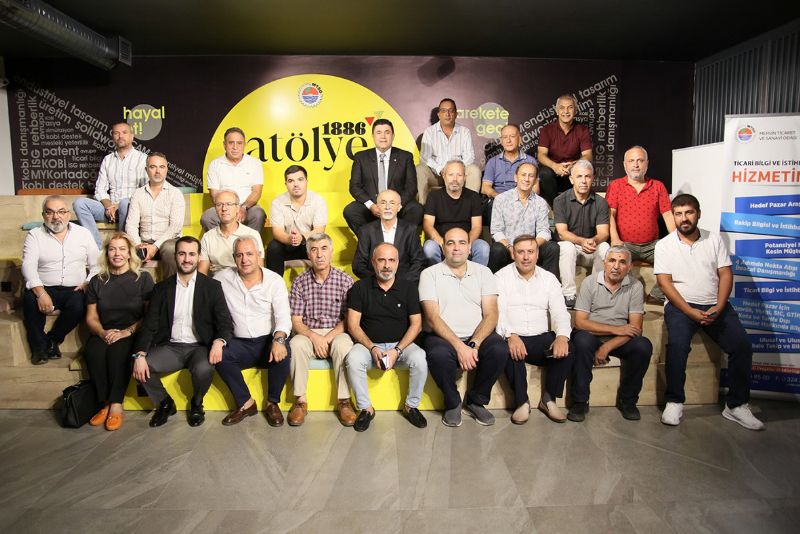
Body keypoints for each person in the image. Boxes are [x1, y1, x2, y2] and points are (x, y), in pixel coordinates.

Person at [655, 194, 764, 430]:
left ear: (698, 214)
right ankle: (674, 401)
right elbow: (664, 283)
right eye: (678, 214)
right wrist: (690, 311)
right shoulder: (664, 245)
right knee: (677, 346)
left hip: (715, 305)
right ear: (673, 217)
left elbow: (725, 274)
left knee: (742, 346)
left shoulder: (713, 239)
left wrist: (720, 306)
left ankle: (736, 405)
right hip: (681, 306)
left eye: (689, 212)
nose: (684, 218)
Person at [131, 236, 233, 428]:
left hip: (199, 347)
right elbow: (149, 325)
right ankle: (165, 403)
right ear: (175, 256)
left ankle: (197, 403)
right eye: (182, 254)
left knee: (204, 369)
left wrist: (219, 341)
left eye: (192, 254)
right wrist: (140, 353)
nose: (187, 259)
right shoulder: (161, 288)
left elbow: (225, 323)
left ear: (199, 257)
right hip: (170, 347)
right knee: (138, 364)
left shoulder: (212, 287)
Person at [420, 227, 508, 427]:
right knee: (438, 354)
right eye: (450, 243)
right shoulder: (429, 274)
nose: (456, 248)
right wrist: (460, 347)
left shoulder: (484, 273)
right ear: (443, 248)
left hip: (476, 335)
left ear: (470, 248)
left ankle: (476, 400)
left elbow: (491, 314)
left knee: (499, 349)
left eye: (462, 243)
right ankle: (453, 402)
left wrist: (474, 344)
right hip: (442, 336)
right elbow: (432, 318)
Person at [346, 243, 428, 431]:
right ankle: (366, 409)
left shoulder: (408, 288)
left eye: (391, 260)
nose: (387, 265)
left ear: (398, 263)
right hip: (369, 345)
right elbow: (353, 325)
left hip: (401, 345)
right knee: (353, 358)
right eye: (381, 260)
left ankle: (411, 406)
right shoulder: (360, 287)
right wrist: (372, 347)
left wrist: (397, 350)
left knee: (420, 358)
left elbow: (417, 324)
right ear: (373, 262)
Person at [496, 235, 574, 424]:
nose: (526, 257)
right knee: (504, 349)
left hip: (541, 338)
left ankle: (549, 399)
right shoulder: (500, 277)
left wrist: (562, 337)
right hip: (515, 336)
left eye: (530, 252)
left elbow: (560, 312)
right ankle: (521, 402)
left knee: (570, 346)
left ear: (537, 254)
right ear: (513, 254)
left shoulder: (549, 279)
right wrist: (510, 335)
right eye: (520, 252)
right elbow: (498, 312)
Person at [569, 245, 652, 423]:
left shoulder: (635, 286)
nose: (616, 266)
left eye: (622, 262)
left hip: (619, 339)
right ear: (604, 263)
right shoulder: (590, 282)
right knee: (582, 341)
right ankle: (580, 402)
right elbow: (580, 322)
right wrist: (616, 329)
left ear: (629, 267)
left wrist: (606, 347)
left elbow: (636, 328)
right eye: (612, 261)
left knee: (643, 346)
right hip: (591, 333)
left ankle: (628, 401)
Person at [214, 236, 290, 427]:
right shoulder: (221, 279)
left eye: (249, 254)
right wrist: (217, 340)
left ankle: (272, 403)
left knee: (284, 351)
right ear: (234, 257)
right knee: (220, 355)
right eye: (239, 255)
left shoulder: (274, 281)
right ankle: (246, 403)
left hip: (268, 341)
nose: (244, 259)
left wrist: (279, 340)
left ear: (259, 255)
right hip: (239, 343)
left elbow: (283, 317)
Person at [84, 232, 154, 431]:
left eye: (122, 249)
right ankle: (105, 402)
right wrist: (102, 333)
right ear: (106, 253)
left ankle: (116, 404)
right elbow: (91, 317)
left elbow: (150, 316)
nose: (117, 254)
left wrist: (126, 332)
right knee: (93, 352)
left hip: (133, 331)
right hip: (105, 330)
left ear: (130, 253)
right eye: (112, 249)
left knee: (118, 352)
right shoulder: (97, 281)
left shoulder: (143, 279)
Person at [287, 233, 356, 426]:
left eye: (324, 248)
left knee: (343, 345)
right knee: (296, 344)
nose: (319, 255)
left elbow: (349, 319)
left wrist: (328, 337)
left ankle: (344, 401)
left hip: (337, 331)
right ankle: (300, 401)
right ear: (308, 254)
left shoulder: (345, 281)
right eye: (314, 250)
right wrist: (314, 337)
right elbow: (296, 321)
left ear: (331, 252)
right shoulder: (299, 282)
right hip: (309, 332)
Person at [21, 196, 99, 365]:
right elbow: (28, 266)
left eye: (61, 212)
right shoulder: (34, 235)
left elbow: (97, 265)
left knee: (80, 304)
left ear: (68, 214)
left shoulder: (83, 234)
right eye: (50, 212)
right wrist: (40, 293)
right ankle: (39, 348)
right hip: (44, 286)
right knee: (29, 300)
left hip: (75, 289)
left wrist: (87, 283)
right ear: (43, 215)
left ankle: (52, 340)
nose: (56, 217)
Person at [606, 145, 675, 303]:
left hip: (652, 245)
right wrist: (615, 239)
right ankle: (630, 295)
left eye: (640, 160)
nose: (636, 165)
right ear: (625, 164)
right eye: (631, 161)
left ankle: (656, 296)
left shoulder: (658, 186)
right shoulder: (616, 185)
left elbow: (667, 215)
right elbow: (610, 214)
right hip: (625, 244)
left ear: (647, 164)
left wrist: (675, 240)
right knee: (616, 260)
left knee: (676, 254)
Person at [74, 122, 148, 248]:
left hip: (132, 209)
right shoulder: (108, 159)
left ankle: (123, 246)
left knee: (125, 203)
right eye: (116, 133)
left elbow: (144, 190)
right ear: (112, 137)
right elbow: (100, 189)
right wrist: (109, 206)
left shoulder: (142, 159)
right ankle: (96, 247)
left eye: (124, 132)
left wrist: (119, 205)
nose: (120, 136)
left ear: (132, 136)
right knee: (79, 203)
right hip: (110, 209)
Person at [344, 118, 423, 234]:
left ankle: (400, 241)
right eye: (379, 132)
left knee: (416, 209)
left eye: (387, 132)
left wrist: (396, 205)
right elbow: (354, 187)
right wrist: (371, 206)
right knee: (351, 210)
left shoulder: (405, 157)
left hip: (397, 207)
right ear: (373, 136)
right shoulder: (361, 157)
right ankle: (371, 241)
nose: (383, 137)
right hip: (372, 205)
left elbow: (411, 187)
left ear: (393, 136)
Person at [553, 160, 610, 308]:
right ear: (571, 179)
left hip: (591, 246)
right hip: (572, 248)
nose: (583, 181)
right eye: (579, 176)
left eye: (587, 176)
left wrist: (592, 241)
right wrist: (582, 241)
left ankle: (595, 293)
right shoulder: (560, 201)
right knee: (566, 246)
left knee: (605, 247)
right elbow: (562, 233)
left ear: (593, 178)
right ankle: (569, 295)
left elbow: (603, 233)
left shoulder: (601, 202)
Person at [488, 162, 558, 277]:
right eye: (523, 175)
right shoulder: (501, 199)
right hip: (508, 248)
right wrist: (510, 248)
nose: (527, 179)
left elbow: (544, 231)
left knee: (553, 248)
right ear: (515, 177)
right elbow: (496, 231)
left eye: (531, 176)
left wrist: (531, 247)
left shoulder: (540, 202)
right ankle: (492, 285)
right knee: (497, 249)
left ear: (535, 180)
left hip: (532, 247)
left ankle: (551, 286)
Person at [125, 152, 184, 278]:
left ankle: (171, 288)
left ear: (167, 169)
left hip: (168, 241)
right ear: (146, 170)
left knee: (170, 249)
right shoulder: (138, 194)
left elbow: (175, 226)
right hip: (143, 242)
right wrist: (138, 245)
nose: (158, 171)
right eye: (153, 167)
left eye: (161, 167)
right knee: (122, 250)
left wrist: (155, 246)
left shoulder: (175, 194)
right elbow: (131, 225)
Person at [422, 160, 489, 266]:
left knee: (483, 247)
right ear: (444, 176)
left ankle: (475, 276)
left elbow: (476, 227)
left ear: (464, 177)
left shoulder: (473, 197)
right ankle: (439, 275)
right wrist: (442, 242)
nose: (455, 179)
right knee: (429, 247)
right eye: (451, 175)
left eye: (459, 175)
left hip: (466, 240)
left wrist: (467, 243)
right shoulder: (434, 196)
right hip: (442, 241)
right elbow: (428, 225)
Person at [200, 127, 267, 232]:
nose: (235, 147)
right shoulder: (215, 165)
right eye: (231, 143)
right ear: (224, 145)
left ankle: (250, 242)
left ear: (244, 145)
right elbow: (214, 194)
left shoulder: (254, 163)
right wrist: (228, 208)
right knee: (207, 217)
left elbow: (256, 192)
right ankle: (223, 242)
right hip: (224, 206)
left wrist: (243, 207)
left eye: (239, 143)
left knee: (258, 214)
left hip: (248, 207)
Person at [417, 98, 481, 204]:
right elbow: (425, 157)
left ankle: (470, 207)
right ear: (439, 114)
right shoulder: (429, 132)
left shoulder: (464, 131)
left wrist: (456, 170)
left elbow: (470, 156)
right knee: (420, 169)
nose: (447, 114)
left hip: (458, 175)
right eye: (443, 111)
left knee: (474, 170)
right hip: (437, 175)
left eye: (451, 111)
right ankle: (422, 207)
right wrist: (440, 169)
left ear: (456, 114)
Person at [352, 189, 425, 282]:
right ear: (377, 207)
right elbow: (358, 265)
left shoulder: (410, 230)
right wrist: (379, 281)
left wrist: (403, 282)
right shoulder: (366, 231)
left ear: (399, 207)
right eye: (383, 203)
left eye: (392, 203)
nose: (387, 207)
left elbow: (418, 262)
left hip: (404, 283)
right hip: (375, 284)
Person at [266, 165, 327, 276]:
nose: (296, 184)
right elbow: (277, 232)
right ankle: (274, 284)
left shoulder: (318, 200)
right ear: (286, 184)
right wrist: (290, 239)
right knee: (273, 247)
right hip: (287, 243)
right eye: (291, 181)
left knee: (322, 243)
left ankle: (321, 283)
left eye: (300, 179)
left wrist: (302, 238)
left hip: (309, 244)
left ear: (307, 182)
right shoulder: (277, 202)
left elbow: (319, 230)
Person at [536, 94, 593, 206]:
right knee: (545, 173)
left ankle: (578, 207)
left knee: (586, 169)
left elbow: (588, 155)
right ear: (557, 111)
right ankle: (556, 207)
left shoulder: (582, 130)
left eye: (570, 107)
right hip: (553, 172)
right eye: (562, 108)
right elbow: (541, 155)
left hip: (573, 170)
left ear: (575, 110)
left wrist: (574, 165)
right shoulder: (547, 130)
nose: (566, 111)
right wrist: (555, 166)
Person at [481, 124, 539, 223]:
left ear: (519, 139)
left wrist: (520, 199)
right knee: (494, 205)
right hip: (499, 199)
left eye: (512, 136)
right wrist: (499, 197)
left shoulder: (530, 161)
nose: (508, 140)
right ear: (501, 141)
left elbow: (535, 189)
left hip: (523, 199)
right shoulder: (492, 162)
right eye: (505, 137)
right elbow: (485, 188)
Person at [198, 189, 264, 275]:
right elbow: (202, 272)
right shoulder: (207, 237)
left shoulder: (253, 234)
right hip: (217, 280)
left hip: (244, 279)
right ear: (215, 209)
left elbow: (259, 270)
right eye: (219, 205)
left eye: (229, 204)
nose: (224, 209)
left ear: (237, 208)